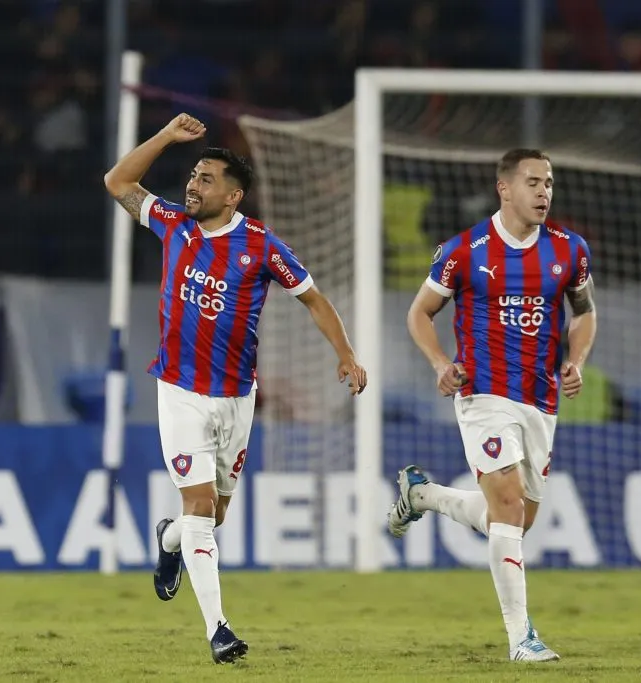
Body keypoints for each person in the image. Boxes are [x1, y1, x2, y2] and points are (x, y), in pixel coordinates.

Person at [104, 114, 367, 664]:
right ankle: (218, 630)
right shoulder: (173, 224)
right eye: (192, 175)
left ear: (233, 194)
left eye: (205, 178)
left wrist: (345, 353)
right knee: (200, 506)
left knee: (212, 516)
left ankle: (169, 540)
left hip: (236, 397)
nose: (192, 185)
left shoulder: (262, 246)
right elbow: (118, 183)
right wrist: (165, 138)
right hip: (178, 390)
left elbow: (314, 299)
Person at [389, 148, 598, 662]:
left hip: (541, 398)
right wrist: (441, 363)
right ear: (504, 188)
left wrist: (578, 360)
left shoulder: (570, 250)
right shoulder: (465, 251)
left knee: (517, 521)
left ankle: (424, 497)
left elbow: (585, 311)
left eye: (548, 182)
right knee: (506, 505)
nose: (544, 192)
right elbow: (420, 313)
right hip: (484, 393)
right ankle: (521, 638)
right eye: (533, 182)